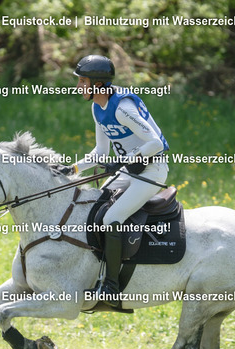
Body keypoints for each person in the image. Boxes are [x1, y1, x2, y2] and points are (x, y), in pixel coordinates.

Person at [58, 54, 169, 307]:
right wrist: (73, 168)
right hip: (130, 170)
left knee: (111, 219)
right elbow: (100, 152)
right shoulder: (97, 107)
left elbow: (155, 143)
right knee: (93, 208)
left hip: (152, 171)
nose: (78, 86)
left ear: (97, 84)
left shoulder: (122, 108)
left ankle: (111, 286)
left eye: (82, 81)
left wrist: (121, 162)